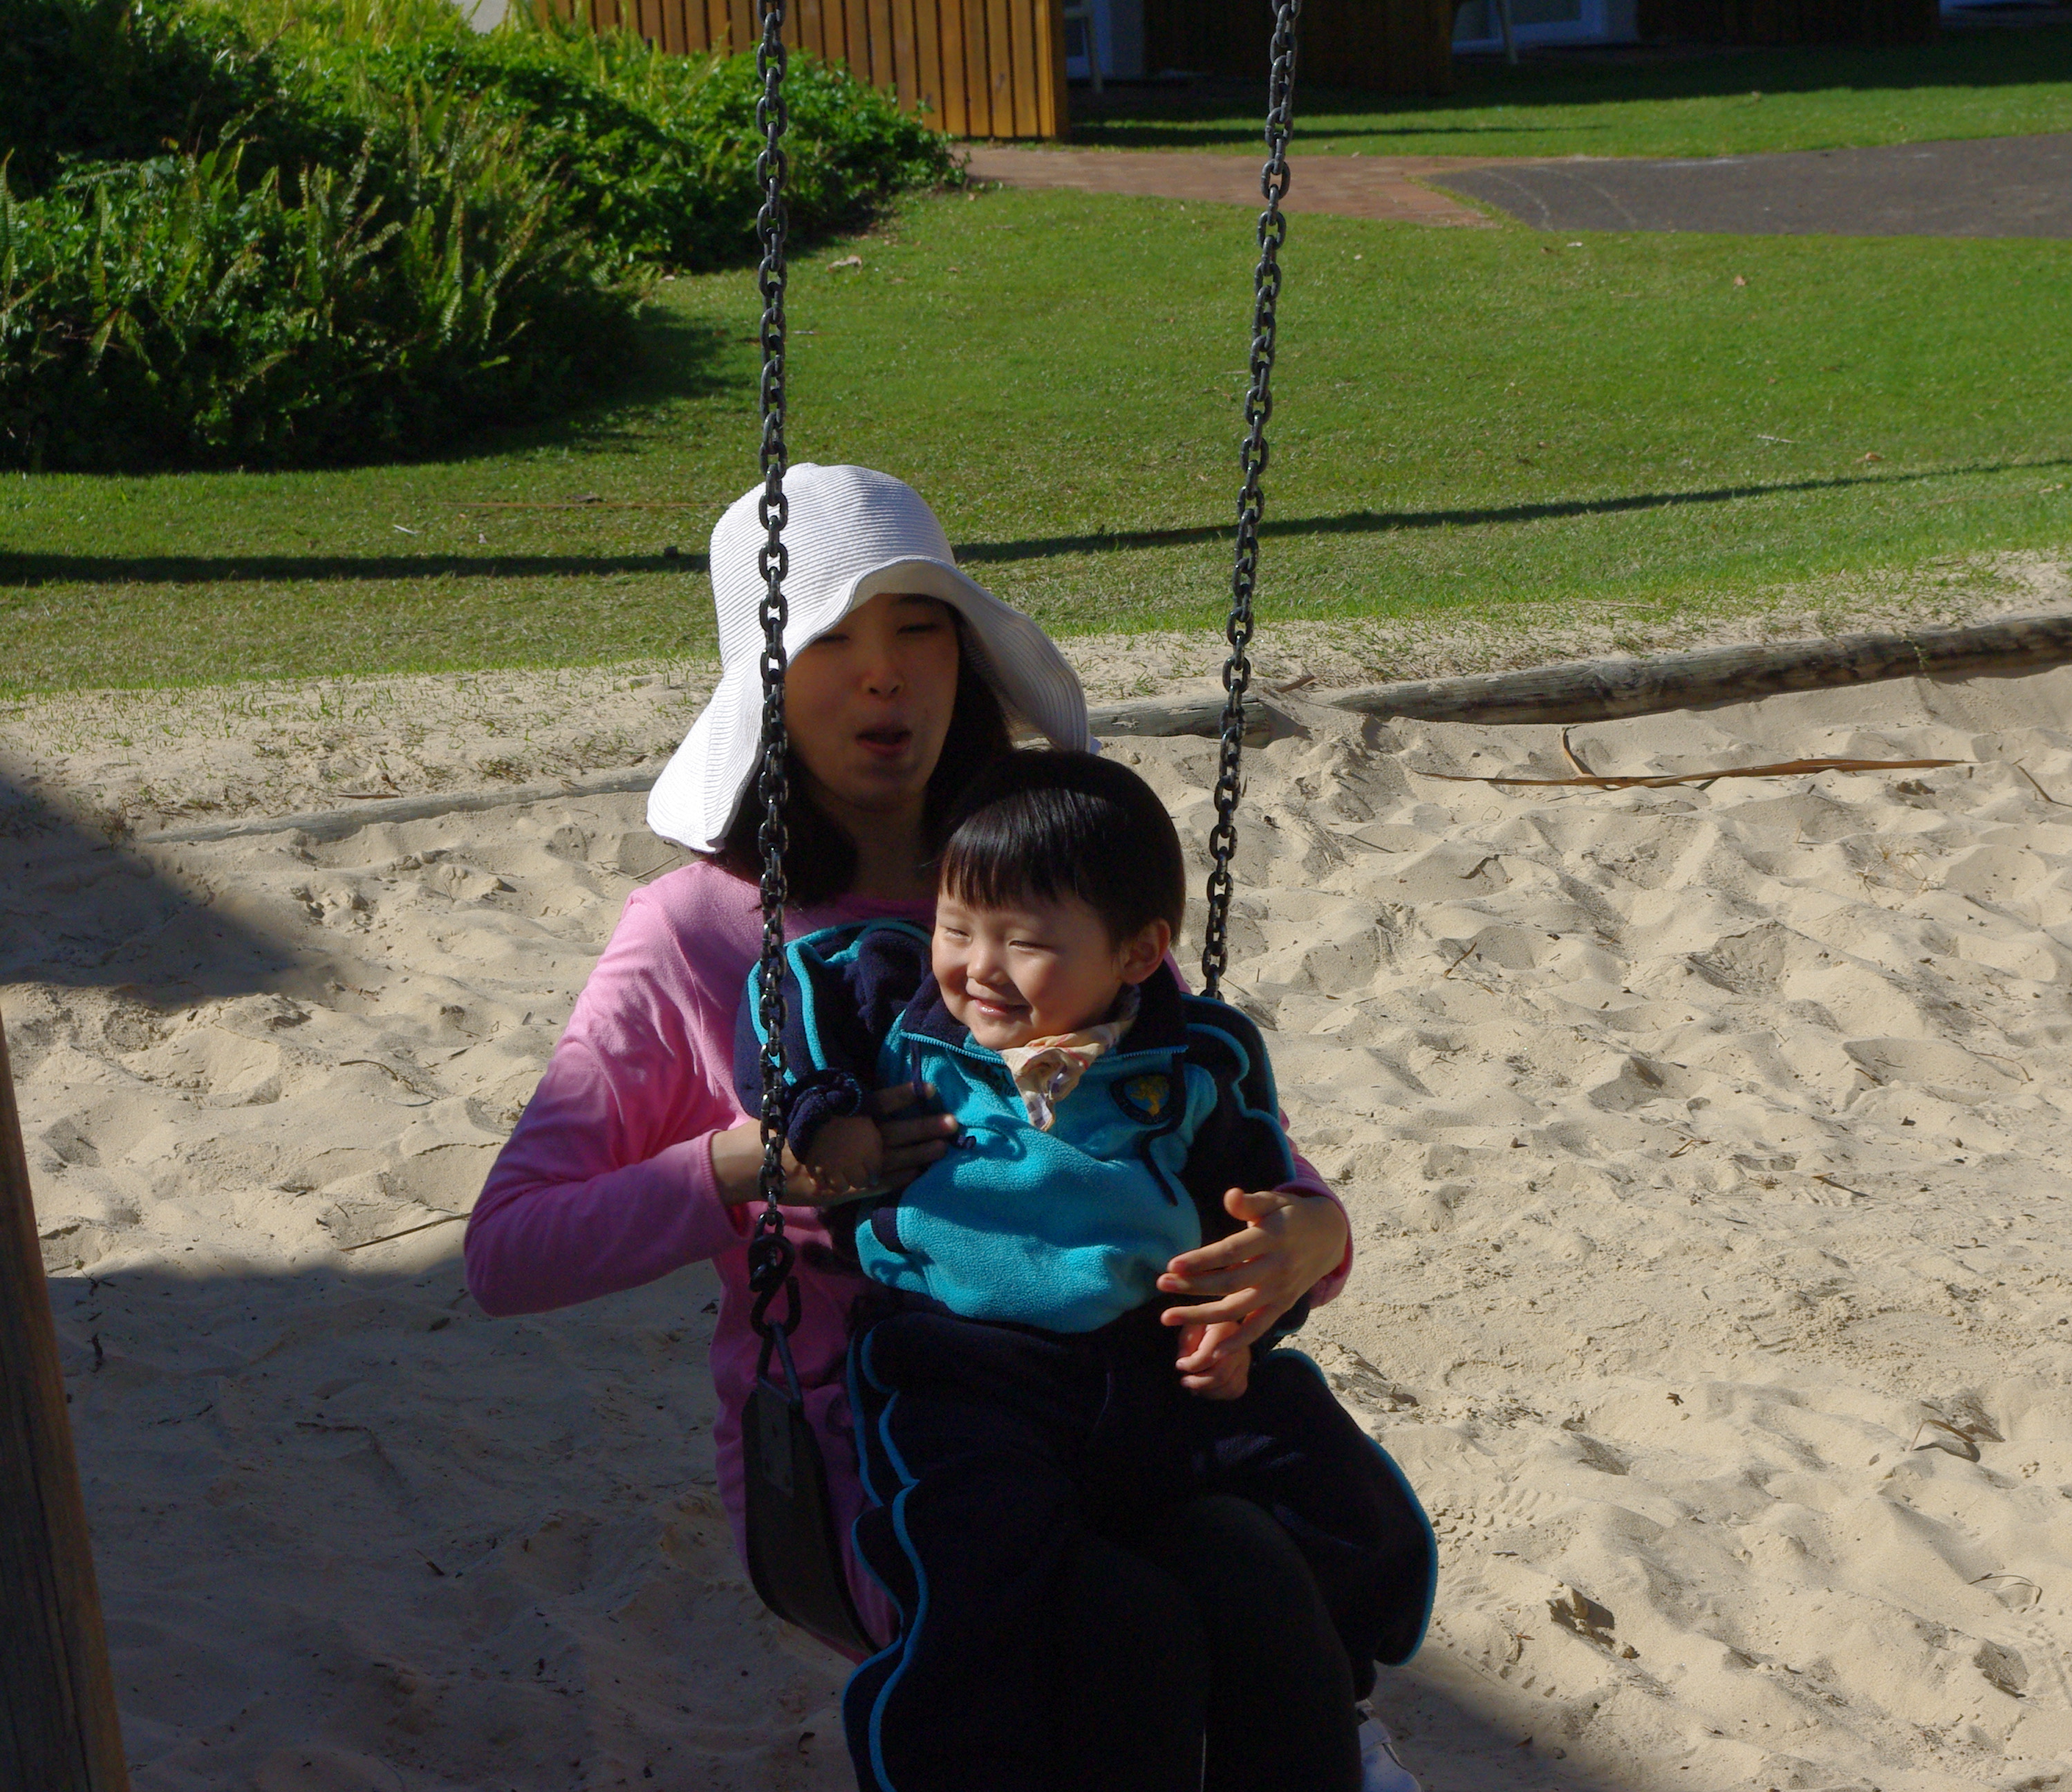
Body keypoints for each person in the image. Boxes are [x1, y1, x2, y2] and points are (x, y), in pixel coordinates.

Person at [464, 464, 1413, 1791]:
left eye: (920, 629)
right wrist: (749, 1167)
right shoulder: (698, 935)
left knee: (1261, 1576)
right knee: (1122, 1628)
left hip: (1131, 1404)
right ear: (763, 680)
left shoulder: (1055, 869)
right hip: (888, 1447)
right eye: (831, 642)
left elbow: (1227, 1146)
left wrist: (1308, 1239)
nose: (884, 676)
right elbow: (508, 1252)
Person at [737, 750, 1435, 1792]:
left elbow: (1247, 1211)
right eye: (956, 927)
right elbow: (787, 999)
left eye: (1024, 942)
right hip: (962, 1370)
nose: (978, 967)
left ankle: (1344, 1687)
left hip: (1152, 1362)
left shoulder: (1195, 1062)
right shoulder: (897, 1017)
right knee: (983, 1567)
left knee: (1304, 1496)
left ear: (1140, 952)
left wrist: (1245, 1316)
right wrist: (820, 1112)